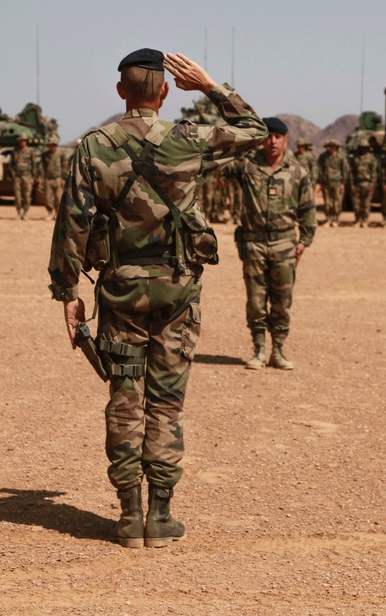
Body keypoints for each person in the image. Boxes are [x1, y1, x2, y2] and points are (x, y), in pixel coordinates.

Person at [48, 49, 266, 549]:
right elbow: (255, 131)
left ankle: (128, 515)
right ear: (166, 91)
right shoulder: (188, 140)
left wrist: (68, 293)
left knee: (125, 398)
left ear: (121, 91)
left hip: (121, 289)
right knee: (167, 400)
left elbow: (72, 224)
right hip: (177, 292)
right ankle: (161, 515)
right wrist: (210, 86)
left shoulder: (94, 146)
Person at [221, 117, 315, 370]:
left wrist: (305, 240)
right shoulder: (247, 166)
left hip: (285, 243)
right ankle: (259, 349)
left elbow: (307, 208)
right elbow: (218, 164)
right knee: (256, 300)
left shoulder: (297, 171)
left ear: (286, 141)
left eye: (277, 137)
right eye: (268, 136)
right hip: (254, 244)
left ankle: (278, 350)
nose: (272, 141)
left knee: (282, 300)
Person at [318, 139, 348, 227]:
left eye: (333, 146)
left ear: (336, 147)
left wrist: (343, 183)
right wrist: (320, 182)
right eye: (330, 146)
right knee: (327, 203)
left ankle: (335, 219)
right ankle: (328, 219)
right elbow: (320, 169)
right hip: (326, 183)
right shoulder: (323, 156)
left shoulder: (341, 157)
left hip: (337, 183)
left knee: (337, 202)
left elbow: (345, 170)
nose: (331, 148)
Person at [12, 133, 39, 219]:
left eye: (23, 141)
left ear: (26, 142)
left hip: (27, 176)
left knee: (27, 195)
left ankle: (25, 212)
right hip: (17, 176)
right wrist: (12, 175)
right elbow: (11, 164)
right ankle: (19, 212)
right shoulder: (15, 151)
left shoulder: (30, 151)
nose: (22, 142)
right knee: (17, 195)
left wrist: (34, 177)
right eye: (21, 141)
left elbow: (34, 165)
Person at [41, 139, 67, 219]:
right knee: (47, 197)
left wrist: (63, 178)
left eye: (52, 145)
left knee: (58, 197)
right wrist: (42, 178)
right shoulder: (45, 155)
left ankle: (57, 213)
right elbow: (43, 166)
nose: (51, 147)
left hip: (58, 178)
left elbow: (64, 166)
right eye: (49, 145)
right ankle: (50, 212)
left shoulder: (60, 154)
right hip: (48, 178)